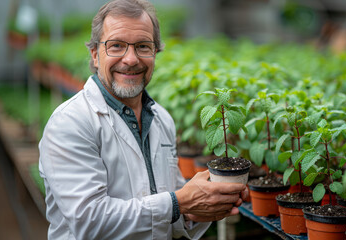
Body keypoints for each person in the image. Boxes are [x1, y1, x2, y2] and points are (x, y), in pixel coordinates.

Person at [38, 0, 248, 239]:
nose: (131, 59)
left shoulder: (161, 119)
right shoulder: (70, 123)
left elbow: (168, 213)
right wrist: (179, 202)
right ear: (95, 54)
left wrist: (200, 209)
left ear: (155, 54)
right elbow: (90, 222)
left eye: (143, 46)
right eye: (116, 46)